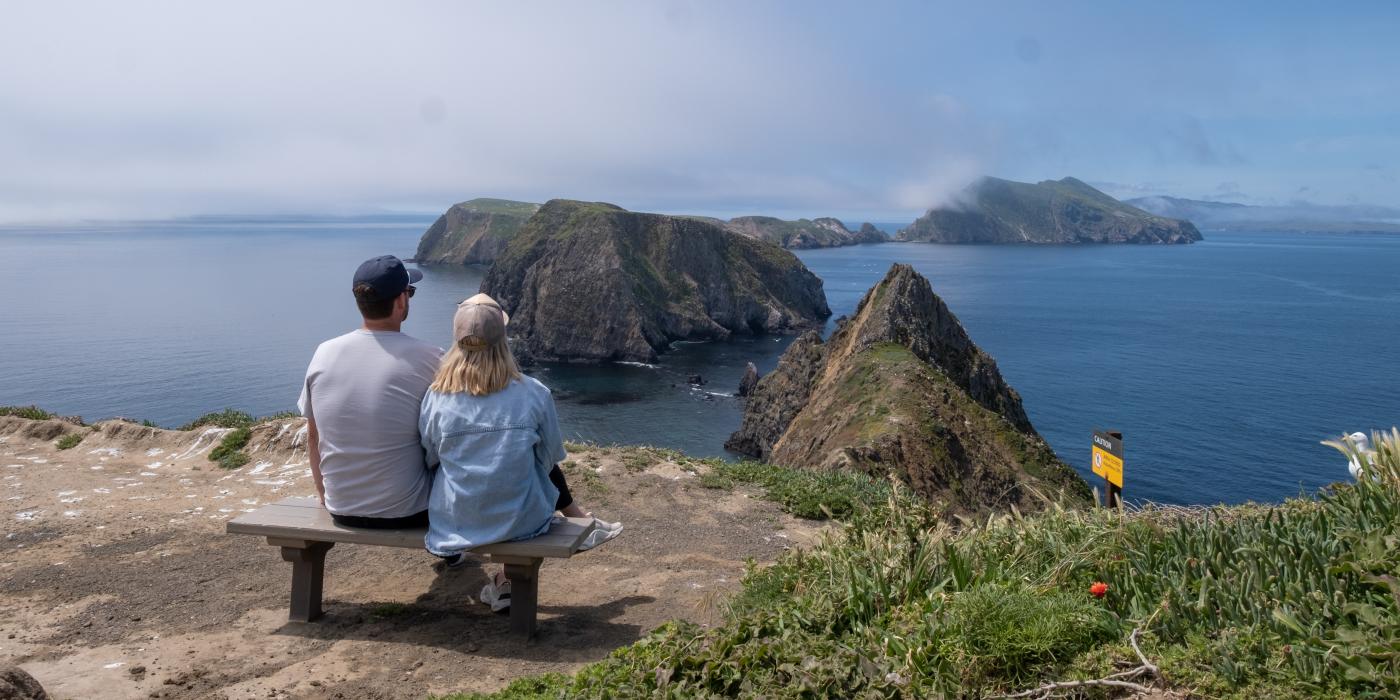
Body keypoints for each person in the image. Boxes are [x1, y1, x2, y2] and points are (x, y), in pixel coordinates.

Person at [420, 293, 621, 610]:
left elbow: (430, 456)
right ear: (503, 338)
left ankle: (503, 583)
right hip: (522, 522)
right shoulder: (534, 393)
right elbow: (549, 457)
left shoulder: (436, 397)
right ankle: (509, 578)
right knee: (527, 473)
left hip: (455, 521)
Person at [298, 255, 442, 528]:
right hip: (409, 511)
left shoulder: (324, 353)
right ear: (401, 301)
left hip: (341, 508)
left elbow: (313, 436)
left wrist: (323, 495)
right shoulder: (431, 358)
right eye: (410, 292)